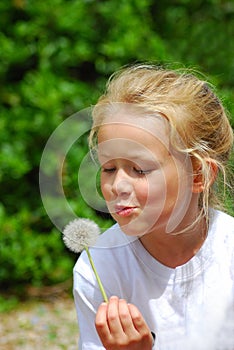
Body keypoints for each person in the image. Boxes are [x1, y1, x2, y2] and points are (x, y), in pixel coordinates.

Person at [73, 64, 234, 349]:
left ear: (198, 175)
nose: (118, 185)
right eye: (109, 168)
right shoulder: (99, 267)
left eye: (140, 169)